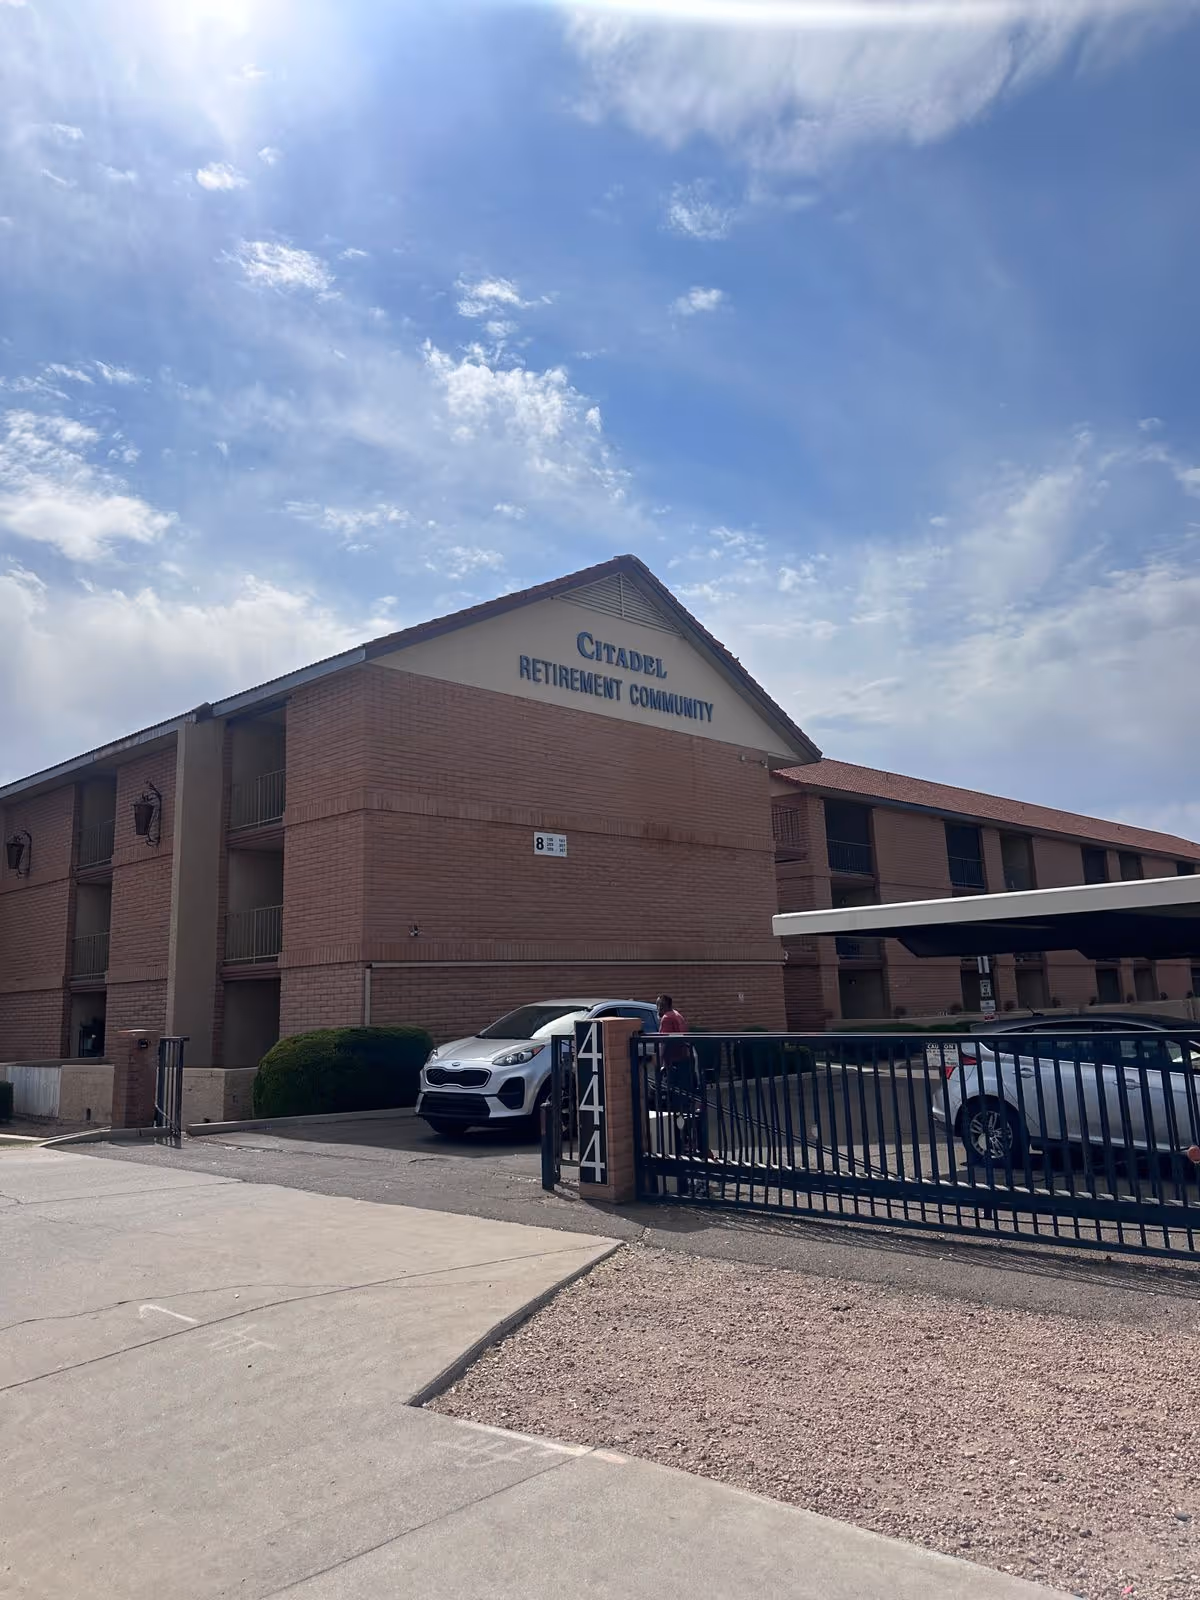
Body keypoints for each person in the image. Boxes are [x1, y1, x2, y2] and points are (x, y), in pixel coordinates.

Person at [656, 994, 704, 1190]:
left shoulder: (667, 1018)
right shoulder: (678, 1015)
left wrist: (660, 1064)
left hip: (677, 1065)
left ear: (664, 1005)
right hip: (686, 1063)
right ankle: (688, 1141)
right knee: (686, 1103)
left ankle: (680, 1143)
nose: (656, 1007)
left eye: (658, 1004)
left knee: (676, 1106)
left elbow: (664, 1042)